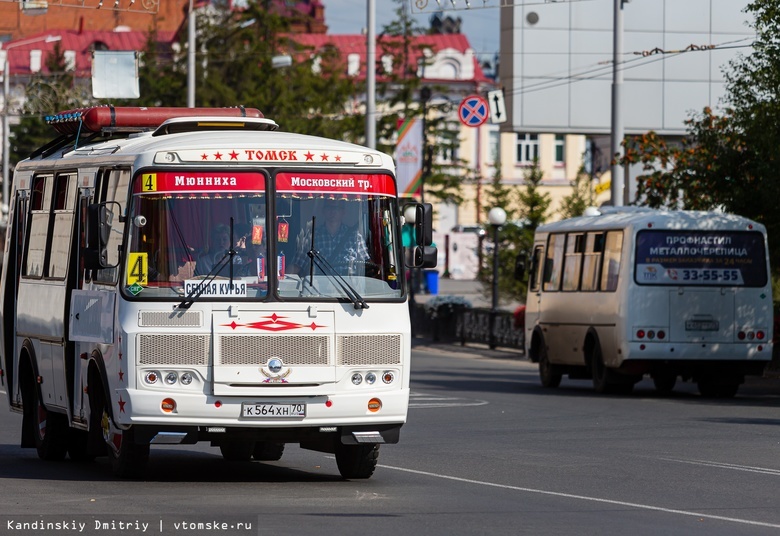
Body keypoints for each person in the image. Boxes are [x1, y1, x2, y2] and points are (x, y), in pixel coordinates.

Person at [290, 199, 370, 275]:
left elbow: (367, 264)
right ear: (323, 211)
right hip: (318, 288)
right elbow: (296, 266)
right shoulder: (311, 237)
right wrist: (282, 283)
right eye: (329, 207)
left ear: (343, 212)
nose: (333, 212)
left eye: (337, 208)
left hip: (348, 287)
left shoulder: (355, 237)